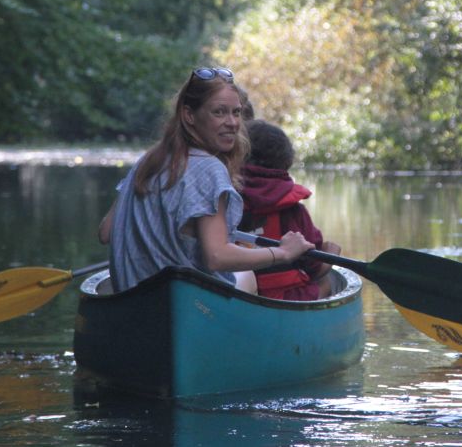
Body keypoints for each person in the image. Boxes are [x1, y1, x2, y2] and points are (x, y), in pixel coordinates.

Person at [97, 67, 312, 294]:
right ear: (189, 115)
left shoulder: (148, 160)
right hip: (182, 299)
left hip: (134, 298)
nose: (233, 123)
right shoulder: (209, 168)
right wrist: (282, 253)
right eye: (219, 112)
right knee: (245, 275)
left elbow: (107, 232)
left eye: (236, 112)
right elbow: (217, 257)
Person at [238, 119, 342, 300]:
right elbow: (315, 269)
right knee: (325, 283)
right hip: (288, 297)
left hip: (237, 291)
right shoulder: (293, 211)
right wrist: (332, 254)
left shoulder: (226, 197)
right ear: (285, 162)